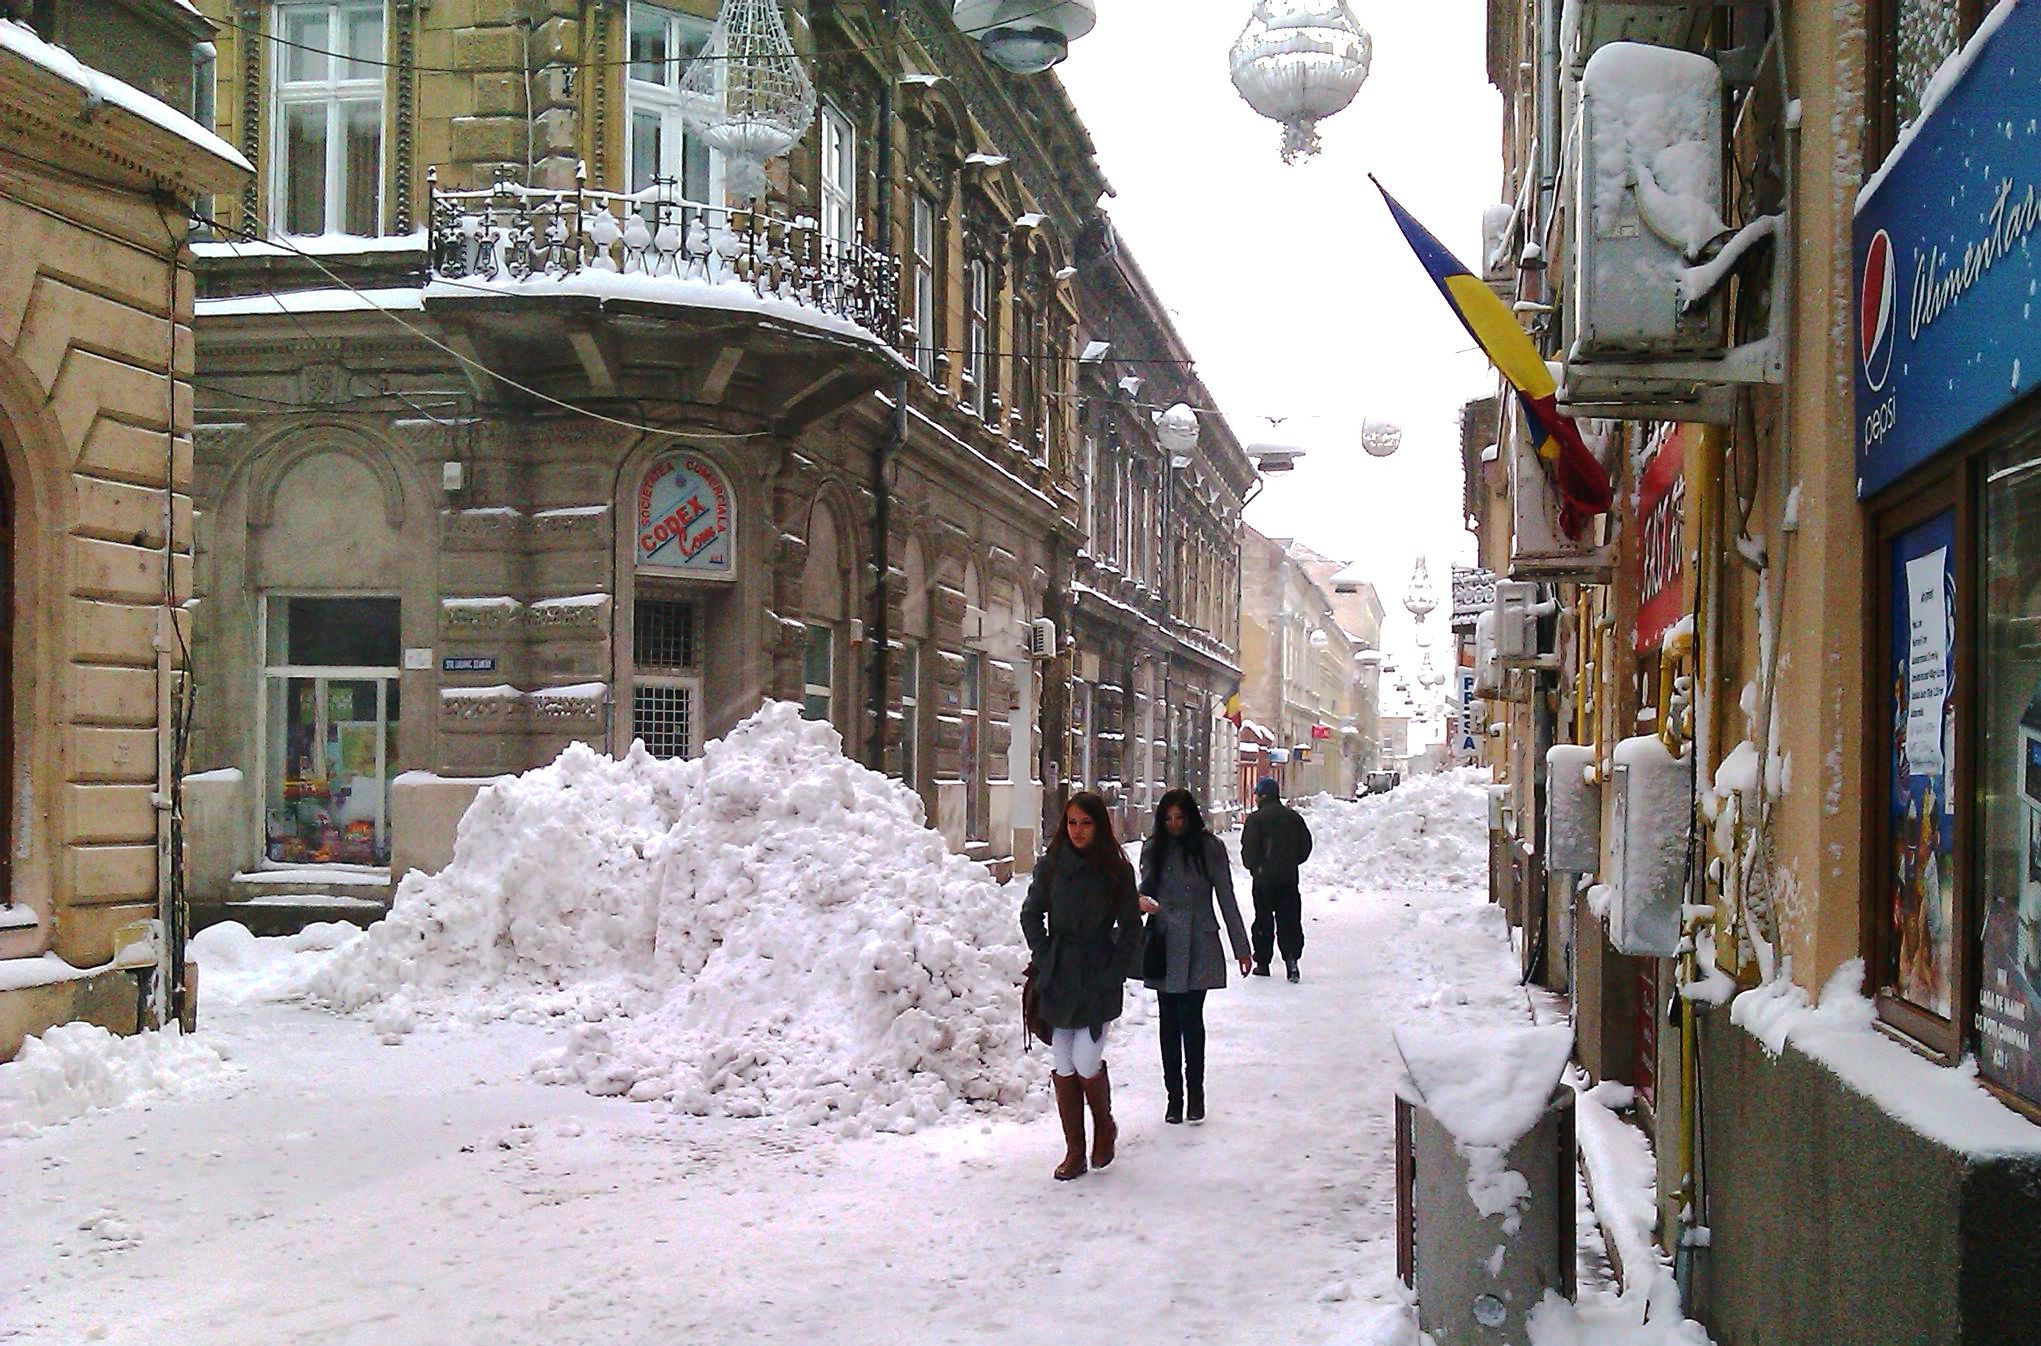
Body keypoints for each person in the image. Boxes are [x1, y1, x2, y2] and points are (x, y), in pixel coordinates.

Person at [1020, 791, 1143, 1181]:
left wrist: (1115, 968)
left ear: (1098, 826)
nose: (1077, 830)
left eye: (1086, 823)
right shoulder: (1051, 867)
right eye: (1072, 822)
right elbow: (1031, 914)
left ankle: (1103, 1126)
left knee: (1087, 1059)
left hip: (1097, 973)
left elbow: (1130, 927)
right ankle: (1075, 1149)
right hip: (1059, 974)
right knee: (1063, 1061)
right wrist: (1044, 955)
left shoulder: (1116, 870)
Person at [1138, 789, 1251, 1125]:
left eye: (1180, 817)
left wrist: (1241, 948)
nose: (1174, 824)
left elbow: (1227, 898)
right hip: (1164, 943)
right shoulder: (1152, 849)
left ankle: (1196, 1095)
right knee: (1168, 1022)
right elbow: (1142, 892)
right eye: (1168, 818)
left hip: (1198, 942)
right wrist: (1141, 903)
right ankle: (1174, 1098)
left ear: (1190, 817)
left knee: (1191, 1018)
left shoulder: (1209, 849)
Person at [1240, 777, 1314, 982]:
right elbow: (1305, 847)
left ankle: (1262, 963)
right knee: (1289, 919)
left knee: (1263, 920)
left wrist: (1255, 866)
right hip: (1288, 879)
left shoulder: (1255, 820)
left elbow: (1249, 850)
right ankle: (1292, 961)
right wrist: (1291, 862)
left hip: (1263, 881)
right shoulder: (1293, 818)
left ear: (1262, 796)